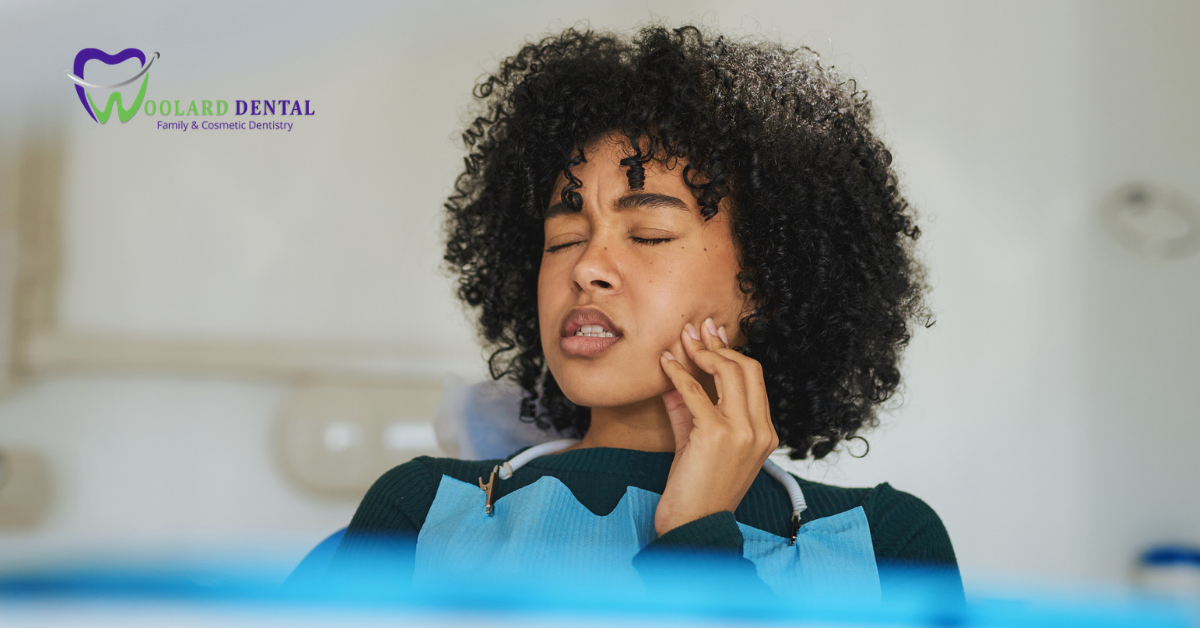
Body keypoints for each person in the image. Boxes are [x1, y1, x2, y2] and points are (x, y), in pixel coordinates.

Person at [322, 23, 960, 600]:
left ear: (764, 282)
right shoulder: (424, 509)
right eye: (564, 239)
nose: (586, 267)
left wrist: (697, 535)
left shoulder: (884, 544)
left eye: (648, 234)